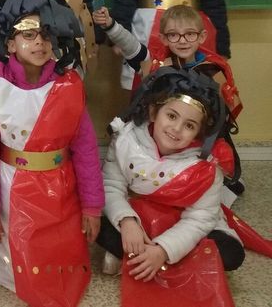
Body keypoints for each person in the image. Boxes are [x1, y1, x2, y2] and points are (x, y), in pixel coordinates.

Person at [0, 0, 104, 307]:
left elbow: (86, 151)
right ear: (10, 44)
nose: (40, 43)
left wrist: (92, 208)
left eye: (46, 34)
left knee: (61, 265)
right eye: (28, 35)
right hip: (12, 191)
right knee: (22, 266)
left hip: (60, 191)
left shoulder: (68, 86)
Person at [97, 68, 245, 306]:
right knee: (93, 225)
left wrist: (164, 250)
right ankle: (139, 251)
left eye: (189, 125)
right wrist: (127, 221)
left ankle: (142, 256)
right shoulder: (126, 139)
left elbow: (200, 218)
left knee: (231, 254)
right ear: (153, 112)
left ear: (200, 132)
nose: (176, 129)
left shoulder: (206, 166)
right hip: (139, 218)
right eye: (172, 116)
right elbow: (111, 185)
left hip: (184, 223)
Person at [94, 3, 244, 196]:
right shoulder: (157, 64)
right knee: (128, 141)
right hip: (158, 136)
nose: (182, 41)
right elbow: (131, 46)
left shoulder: (214, 71)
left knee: (215, 159)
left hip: (194, 137)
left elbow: (222, 116)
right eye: (174, 35)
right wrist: (110, 25)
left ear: (202, 37)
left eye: (190, 34)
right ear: (164, 38)